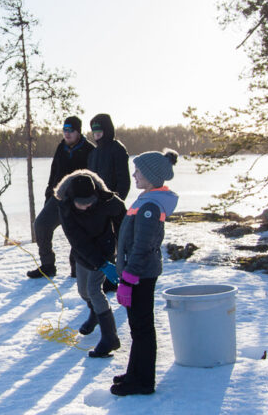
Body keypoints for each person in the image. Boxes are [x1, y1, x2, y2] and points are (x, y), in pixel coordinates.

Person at [111, 149, 179, 397]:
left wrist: (128, 279)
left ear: (150, 175)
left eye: (138, 171)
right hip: (136, 273)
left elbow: (142, 246)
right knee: (137, 327)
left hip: (140, 275)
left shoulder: (150, 205)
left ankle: (143, 381)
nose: (134, 174)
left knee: (141, 328)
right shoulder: (147, 198)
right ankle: (135, 372)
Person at [53, 169, 126, 358]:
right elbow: (77, 240)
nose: (86, 207)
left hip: (105, 248)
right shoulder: (65, 205)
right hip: (83, 252)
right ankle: (95, 314)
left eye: (90, 203)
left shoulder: (107, 200)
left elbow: (124, 222)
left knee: (94, 290)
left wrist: (122, 251)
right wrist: (100, 263)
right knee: (83, 291)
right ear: (72, 199)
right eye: (81, 204)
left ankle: (110, 337)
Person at [25, 116, 93, 279]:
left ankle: (76, 268)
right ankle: (48, 266)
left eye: (71, 130)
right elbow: (54, 172)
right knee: (41, 224)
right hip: (58, 197)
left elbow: (93, 177)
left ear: (78, 132)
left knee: (76, 233)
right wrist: (49, 193)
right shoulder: (61, 148)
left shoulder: (89, 150)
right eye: (65, 130)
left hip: (78, 200)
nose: (67, 134)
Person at [86, 113, 130, 290]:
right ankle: (105, 278)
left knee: (120, 244)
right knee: (102, 244)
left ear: (107, 130)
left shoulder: (117, 149)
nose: (96, 133)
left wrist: (116, 201)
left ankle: (121, 278)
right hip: (96, 206)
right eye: (93, 130)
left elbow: (123, 180)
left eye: (99, 129)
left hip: (113, 205)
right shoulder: (94, 153)